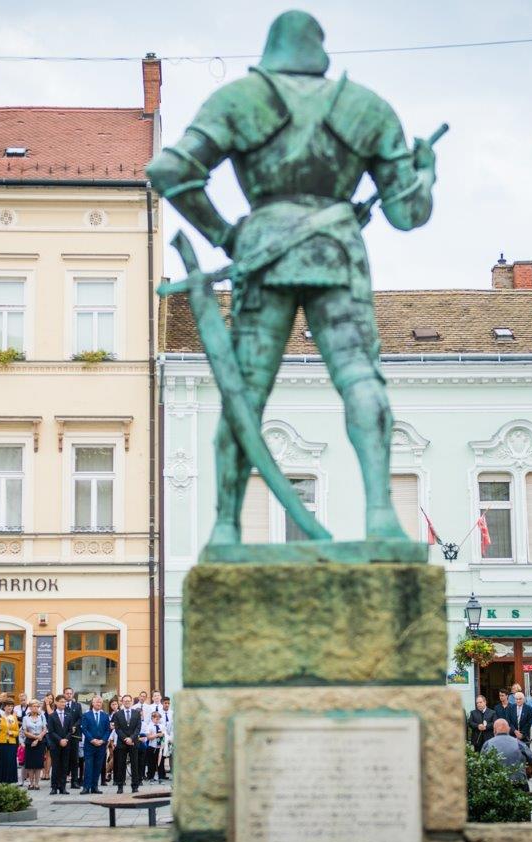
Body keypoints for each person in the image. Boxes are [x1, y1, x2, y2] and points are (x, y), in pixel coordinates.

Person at [145, 10, 439, 547]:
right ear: (319, 51)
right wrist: (425, 172)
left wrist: (224, 234)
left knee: (244, 394)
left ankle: (227, 529)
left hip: (263, 256)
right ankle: (380, 517)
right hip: (336, 256)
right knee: (360, 379)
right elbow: (407, 214)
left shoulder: (238, 100)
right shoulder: (365, 108)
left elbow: (168, 171)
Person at [483, 719, 532, 788]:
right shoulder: (519, 743)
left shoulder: (488, 744)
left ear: (494, 730)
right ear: (508, 729)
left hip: (496, 783)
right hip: (518, 782)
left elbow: (482, 763)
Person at [48, 689, 80, 794]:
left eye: (64, 702)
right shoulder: (52, 716)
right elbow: (51, 731)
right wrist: (60, 740)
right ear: (56, 703)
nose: (63, 704)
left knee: (64, 766)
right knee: (56, 766)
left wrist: (65, 739)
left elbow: (70, 730)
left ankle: (62, 787)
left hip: (66, 744)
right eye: (61, 702)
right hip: (55, 745)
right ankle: (54, 787)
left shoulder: (68, 715)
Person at [80, 695, 111, 794]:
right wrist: (92, 739)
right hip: (90, 745)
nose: (98, 704)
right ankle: (86, 787)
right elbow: (84, 729)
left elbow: (108, 730)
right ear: (92, 703)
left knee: (98, 766)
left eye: (100, 702)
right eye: (96, 702)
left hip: (101, 745)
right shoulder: (86, 715)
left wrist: (103, 740)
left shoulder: (105, 716)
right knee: (88, 766)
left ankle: (94, 787)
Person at [112, 693, 142, 794]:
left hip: (133, 742)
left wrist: (131, 739)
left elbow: (138, 728)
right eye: (125, 701)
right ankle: (120, 786)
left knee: (135, 765)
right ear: (122, 702)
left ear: (131, 702)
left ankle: (135, 786)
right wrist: (126, 739)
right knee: (121, 765)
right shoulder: (117, 714)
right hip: (122, 742)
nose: (127, 702)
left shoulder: (137, 713)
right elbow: (117, 729)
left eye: (129, 701)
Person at [21, 700, 48, 790]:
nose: (35, 708)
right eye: (33, 706)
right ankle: (31, 783)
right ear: (30, 707)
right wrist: (35, 738)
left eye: (37, 706)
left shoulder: (42, 717)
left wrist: (38, 738)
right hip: (30, 742)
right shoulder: (25, 718)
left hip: (40, 742)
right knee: (30, 764)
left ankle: (37, 783)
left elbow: (45, 729)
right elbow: (25, 731)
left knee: (38, 763)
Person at [0, 698, 20, 786]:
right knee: (2, 760)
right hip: (1, 741)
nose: (10, 708)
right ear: (4, 707)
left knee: (11, 761)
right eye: (8, 706)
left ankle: (10, 780)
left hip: (12, 742)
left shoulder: (14, 717)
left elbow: (17, 731)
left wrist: (12, 733)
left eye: (11, 706)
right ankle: (1, 779)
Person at [141, 710, 168, 782]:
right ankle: (151, 776)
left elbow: (165, 735)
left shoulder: (161, 726)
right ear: (152, 718)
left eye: (159, 719)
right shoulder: (149, 726)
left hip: (160, 747)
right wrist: (156, 735)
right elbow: (148, 737)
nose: (158, 720)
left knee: (161, 762)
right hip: (152, 747)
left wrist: (163, 735)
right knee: (151, 763)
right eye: (156, 719)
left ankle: (161, 776)